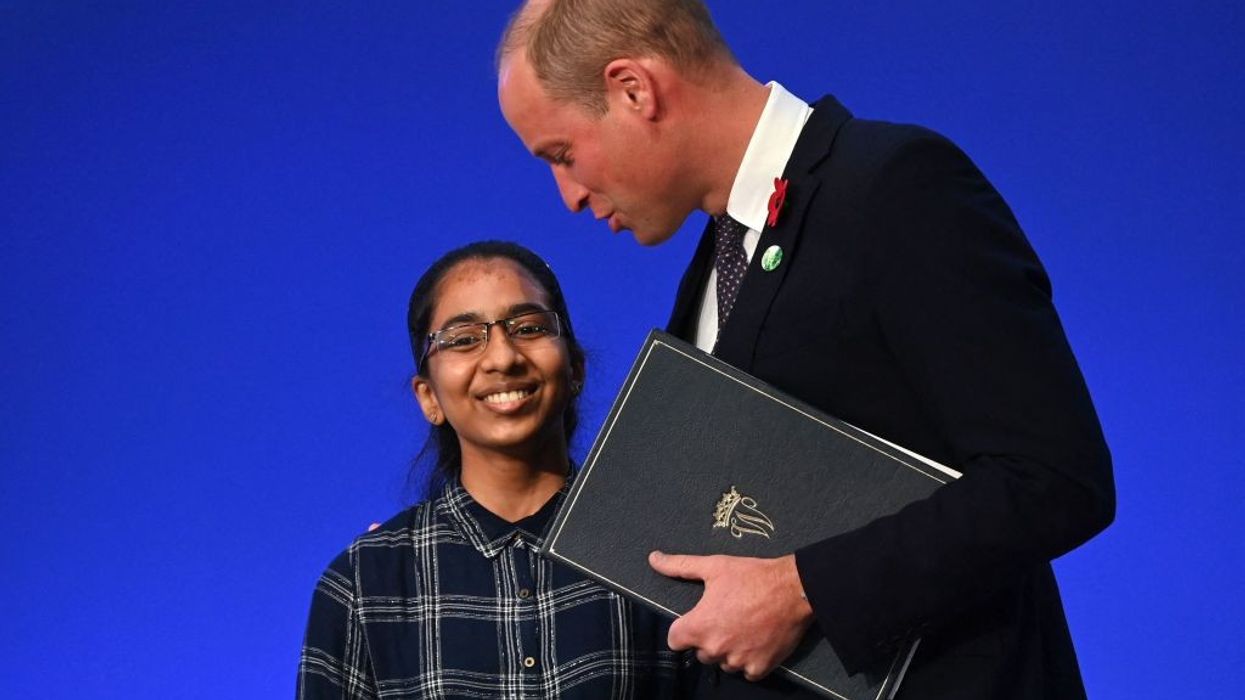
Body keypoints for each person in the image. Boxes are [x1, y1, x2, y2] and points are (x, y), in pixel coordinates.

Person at [496, 1, 1115, 699]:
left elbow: (1054, 478)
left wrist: (802, 591)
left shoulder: (896, 187)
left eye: (561, 154)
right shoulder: (717, 257)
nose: (568, 195)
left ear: (633, 90)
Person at [297, 241, 691, 698]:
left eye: (528, 328)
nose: (503, 358)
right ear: (428, 397)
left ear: (575, 367)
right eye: (464, 339)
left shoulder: (662, 550)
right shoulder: (365, 581)